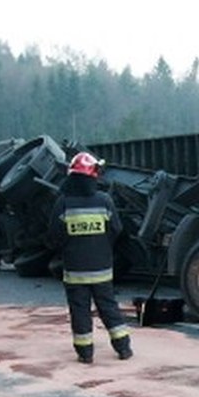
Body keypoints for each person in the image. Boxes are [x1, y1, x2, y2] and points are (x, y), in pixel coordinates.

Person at [47, 152, 132, 363]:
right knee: (109, 307)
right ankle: (123, 348)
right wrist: (101, 246)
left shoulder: (63, 203)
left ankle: (85, 353)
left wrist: (70, 248)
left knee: (80, 311)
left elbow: (53, 236)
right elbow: (116, 229)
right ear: (92, 176)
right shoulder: (104, 200)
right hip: (102, 268)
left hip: (75, 271)